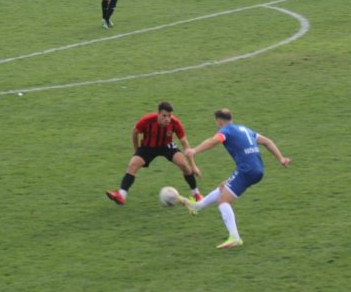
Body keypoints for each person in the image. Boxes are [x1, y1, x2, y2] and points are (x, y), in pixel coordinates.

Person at [184, 109, 291, 250]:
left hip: (247, 170)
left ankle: (235, 237)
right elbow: (268, 141)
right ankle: (198, 206)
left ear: (220, 122)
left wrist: (194, 150)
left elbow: (213, 141)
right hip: (257, 169)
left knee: (223, 201)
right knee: (224, 186)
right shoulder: (244, 129)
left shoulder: (226, 131)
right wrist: (281, 158)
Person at [105, 101, 201, 205]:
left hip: (166, 146)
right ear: (158, 114)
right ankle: (121, 195)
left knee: (184, 164)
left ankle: (196, 194)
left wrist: (193, 165)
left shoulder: (175, 123)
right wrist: (136, 151)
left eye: (169, 116)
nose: (167, 119)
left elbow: (184, 143)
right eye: (164, 116)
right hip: (148, 147)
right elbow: (135, 131)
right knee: (133, 164)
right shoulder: (147, 120)